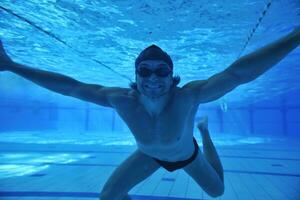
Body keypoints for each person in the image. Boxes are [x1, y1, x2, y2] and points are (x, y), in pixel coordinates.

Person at [0, 27, 299, 200]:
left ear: (171, 76)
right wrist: (13, 66)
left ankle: (205, 133)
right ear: (136, 75)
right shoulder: (121, 99)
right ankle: (203, 131)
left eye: (161, 71)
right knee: (109, 197)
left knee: (217, 192)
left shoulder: (189, 96)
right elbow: (71, 87)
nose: (153, 78)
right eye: (145, 70)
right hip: (148, 154)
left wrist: (295, 36)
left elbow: (238, 74)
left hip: (187, 155)